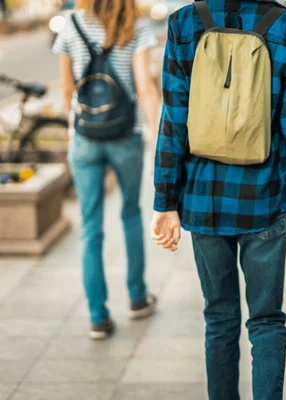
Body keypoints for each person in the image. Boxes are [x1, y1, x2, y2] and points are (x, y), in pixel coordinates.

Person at [151, 0, 286, 399]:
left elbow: (173, 118)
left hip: (203, 198)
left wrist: (165, 201)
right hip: (262, 201)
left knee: (219, 317)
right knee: (266, 321)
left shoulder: (184, 23)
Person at [53, 0, 161, 340]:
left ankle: (98, 317)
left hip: (85, 137)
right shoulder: (136, 28)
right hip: (125, 135)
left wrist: (76, 129)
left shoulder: (71, 25)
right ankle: (137, 297)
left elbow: (67, 88)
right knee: (131, 214)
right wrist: (160, 137)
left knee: (90, 227)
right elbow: (145, 88)